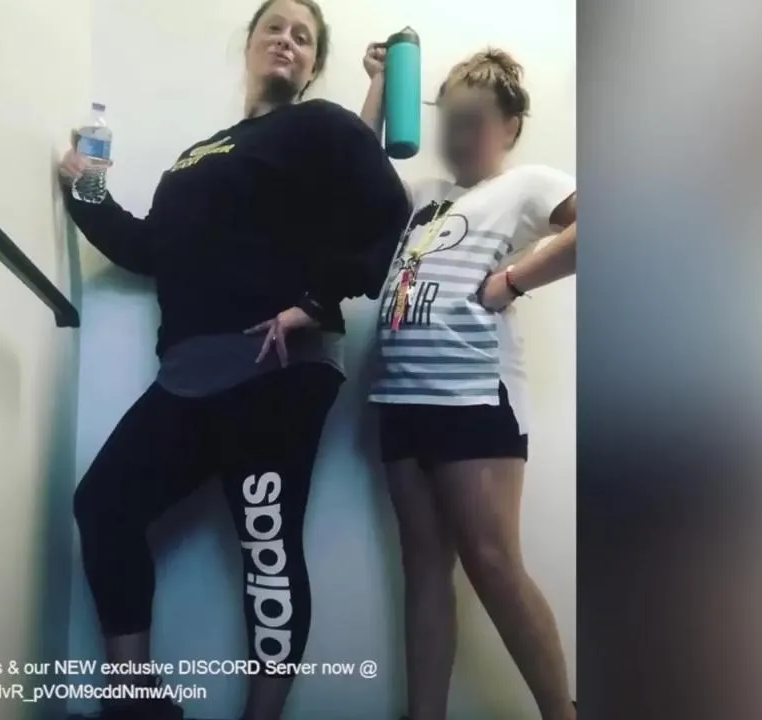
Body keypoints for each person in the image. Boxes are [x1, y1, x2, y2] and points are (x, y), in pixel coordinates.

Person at [55, 2, 411, 718]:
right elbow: (149, 249)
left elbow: (386, 212)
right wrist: (84, 190)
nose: (287, 40)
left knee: (266, 548)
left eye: (303, 37)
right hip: (188, 372)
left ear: (313, 65)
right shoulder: (196, 157)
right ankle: (133, 698)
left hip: (277, 368)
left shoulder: (321, 125)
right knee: (104, 505)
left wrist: (317, 300)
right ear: (248, 43)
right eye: (274, 27)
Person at [358, 44, 578, 720]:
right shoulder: (422, 196)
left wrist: (513, 280)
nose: (457, 134)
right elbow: (350, 176)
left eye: (473, 120)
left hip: (474, 398)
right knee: (424, 570)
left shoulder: (528, 183)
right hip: (400, 401)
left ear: (510, 126)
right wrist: (378, 84)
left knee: (493, 564)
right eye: (449, 119)